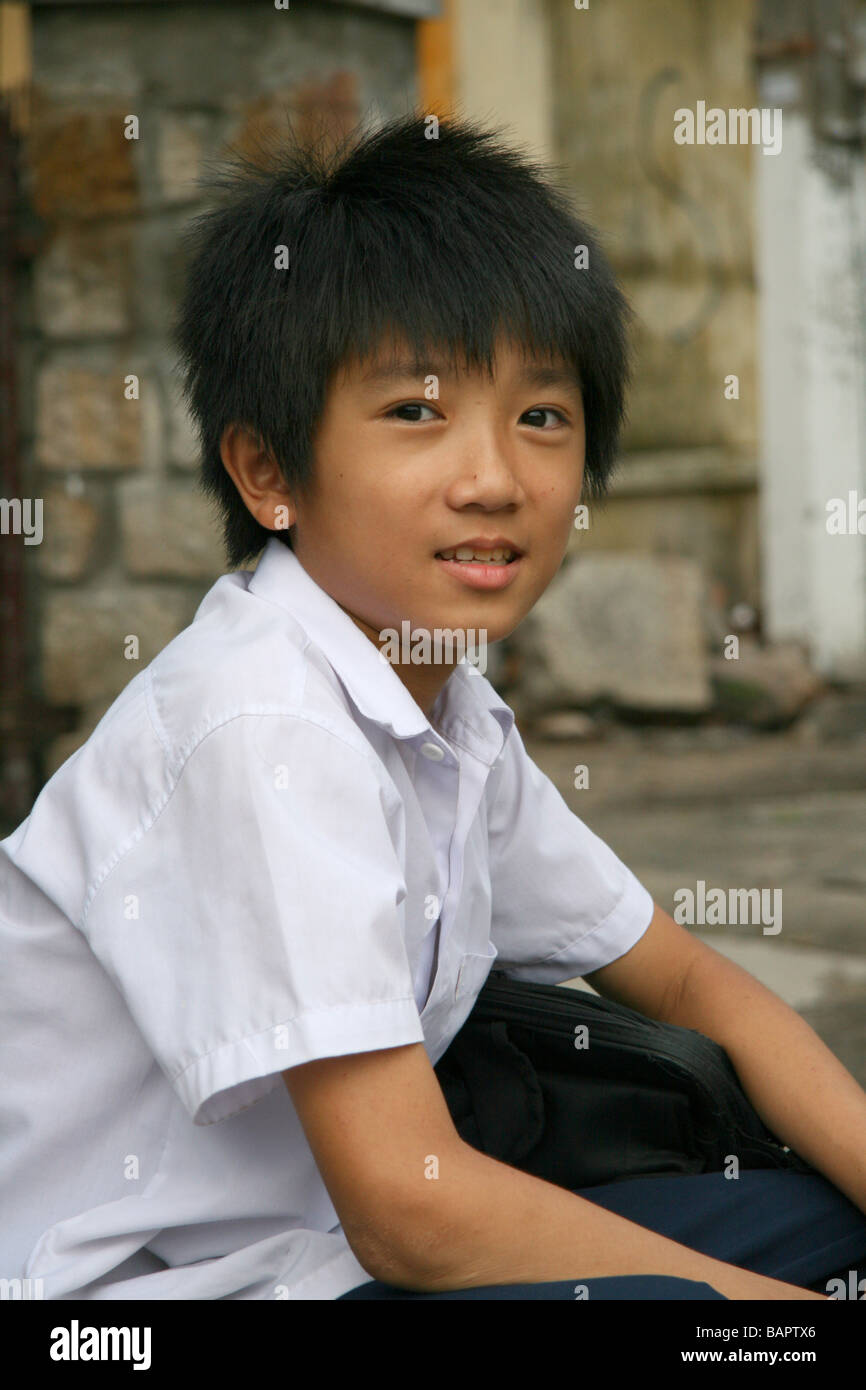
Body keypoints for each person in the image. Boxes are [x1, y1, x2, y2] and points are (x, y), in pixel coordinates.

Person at [2, 110, 865, 1302]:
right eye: (415, 410)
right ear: (268, 473)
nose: (494, 478)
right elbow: (412, 1206)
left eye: (541, 416)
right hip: (156, 1294)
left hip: (337, 1254)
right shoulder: (261, 726)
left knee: (815, 1219)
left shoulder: (437, 705)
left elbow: (681, 979)